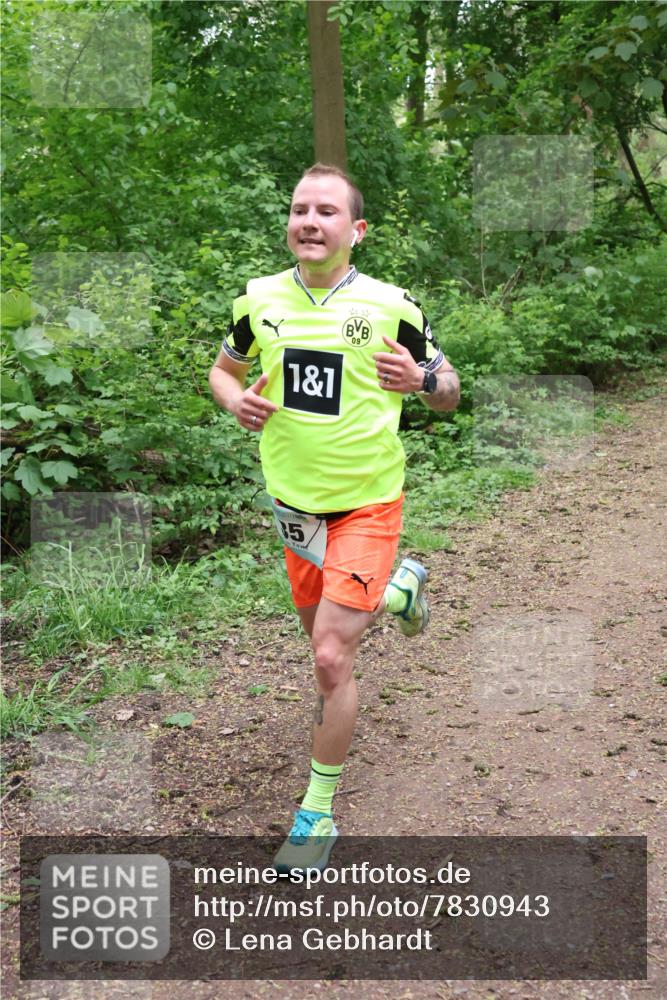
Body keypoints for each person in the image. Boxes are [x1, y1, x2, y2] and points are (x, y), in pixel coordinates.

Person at [209, 163, 460, 873]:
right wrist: (235, 401)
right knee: (321, 642)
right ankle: (396, 592)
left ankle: (315, 814)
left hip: (368, 501)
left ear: (357, 229)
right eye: (300, 210)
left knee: (328, 655)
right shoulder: (257, 300)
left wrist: (422, 380)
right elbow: (223, 371)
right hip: (294, 506)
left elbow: (449, 389)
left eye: (326, 211)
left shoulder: (392, 307)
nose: (309, 222)